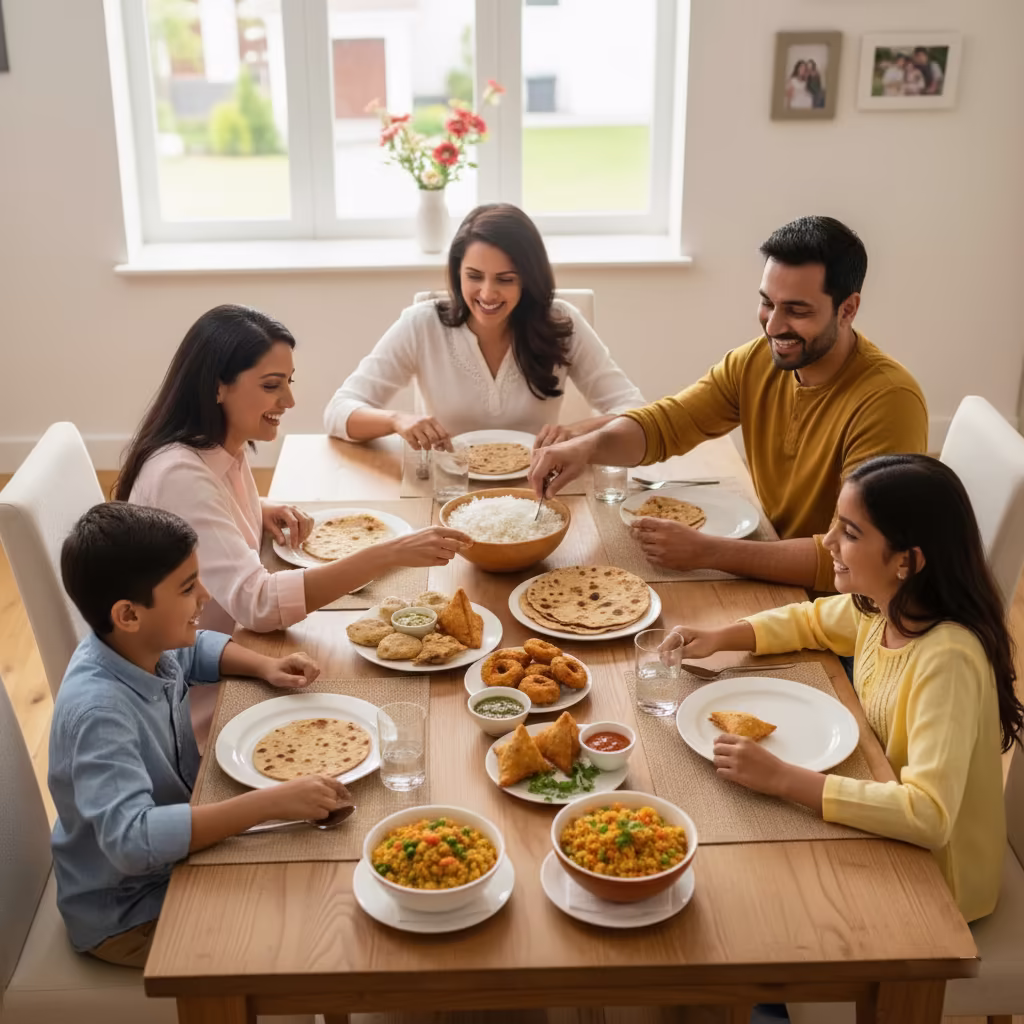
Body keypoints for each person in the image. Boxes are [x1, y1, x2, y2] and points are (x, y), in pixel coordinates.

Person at [663, 455, 1022, 922]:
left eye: (850, 533)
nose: (829, 542)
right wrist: (720, 637)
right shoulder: (884, 609)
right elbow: (811, 620)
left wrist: (784, 778)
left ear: (906, 562)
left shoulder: (947, 659)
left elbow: (929, 815)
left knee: (740, 895)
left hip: (936, 887)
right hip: (878, 812)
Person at [529, 216, 928, 592]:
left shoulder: (888, 402)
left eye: (797, 310)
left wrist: (711, 552)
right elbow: (666, 424)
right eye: (768, 303)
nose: (772, 326)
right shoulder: (755, 361)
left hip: (844, 611)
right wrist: (589, 447)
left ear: (848, 309)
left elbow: (857, 564)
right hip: (775, 571)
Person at [49, 502, 350, 967]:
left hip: (176, 858)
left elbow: (195, 651)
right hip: (133, 914)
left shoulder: (139, 645)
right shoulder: (99, 713)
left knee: (315, 868)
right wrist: (269, 804)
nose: (206, 597)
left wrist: (264, 664)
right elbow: (132, 840)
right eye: (189, 588)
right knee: (308, 923)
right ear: (129, 614)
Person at [114, 305, 471, 636]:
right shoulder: (180, 476)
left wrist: (259, 508)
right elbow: (259, 605)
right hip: (202, 676)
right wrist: (390, 553)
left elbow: (204, 522)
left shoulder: (219, 450)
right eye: (271, 385)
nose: (289, 401)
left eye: (289, 382)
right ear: (217, 387)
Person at [323, 203, 645, 452]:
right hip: (445, 490)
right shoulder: (421, 325)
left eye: (505, 279)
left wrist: (578, 430)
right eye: (474, 276)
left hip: (538, 490)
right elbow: (337, 412)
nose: (488, 293)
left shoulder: (562, 323)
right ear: (457, 272)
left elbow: (637, 412)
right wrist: (397, 420)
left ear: (528, 279)